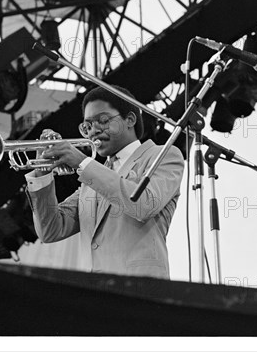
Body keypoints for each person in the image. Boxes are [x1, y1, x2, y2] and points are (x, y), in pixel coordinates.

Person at [24, 86, 185, 279]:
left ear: (130, 120)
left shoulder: (163, 155)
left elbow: (144, 204)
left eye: (103, 121)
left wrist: (82, 162)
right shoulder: (93, 177)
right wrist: (42, 173)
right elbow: (51, 231)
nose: (94, 131)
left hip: (141, 294)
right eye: (87, 126)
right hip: (96, 295)